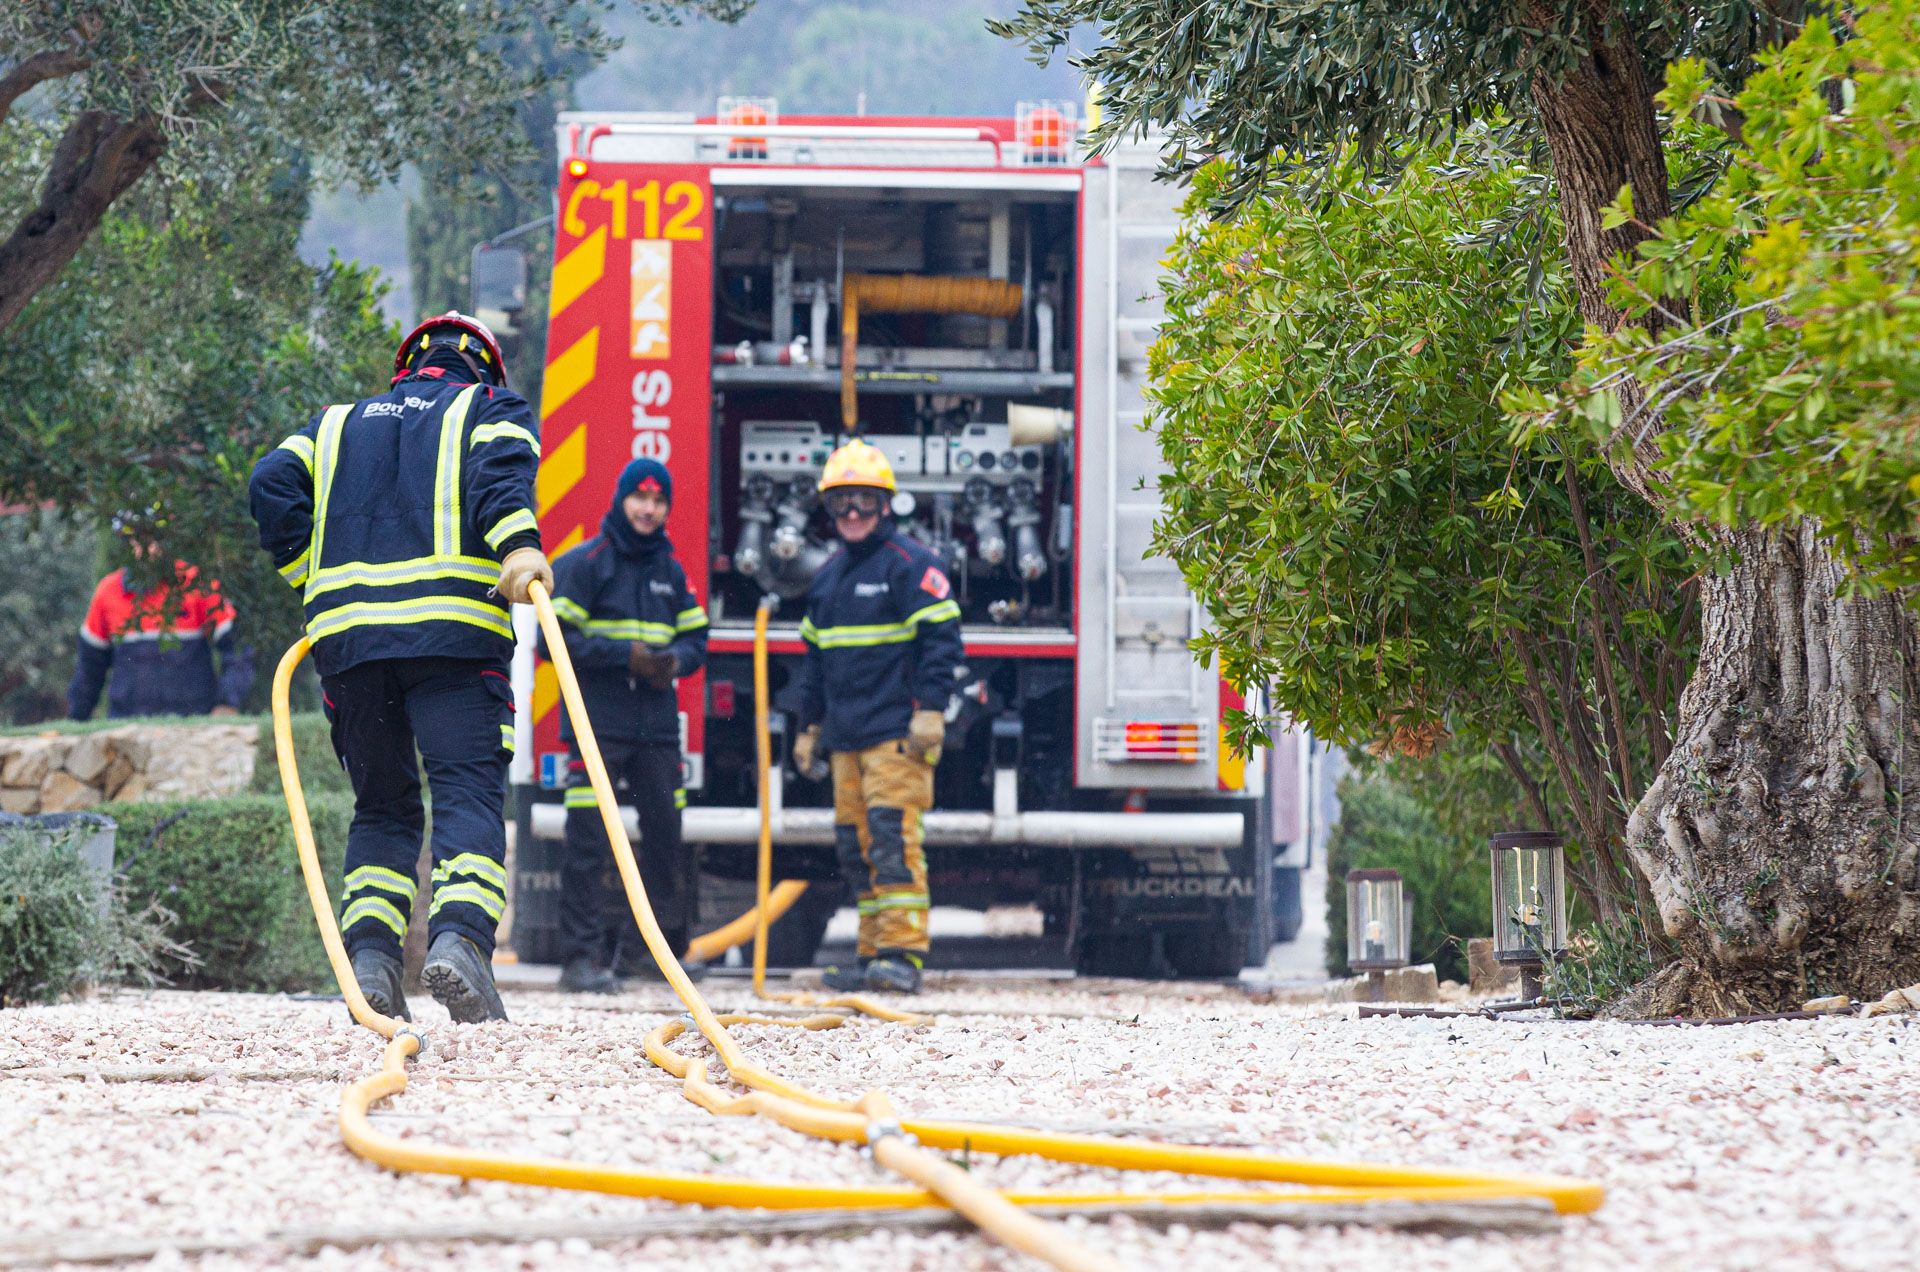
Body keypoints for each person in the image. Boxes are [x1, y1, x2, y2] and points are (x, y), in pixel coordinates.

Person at [248, 311, 549, 1024]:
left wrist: (312, 577)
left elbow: (269, 486)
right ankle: (460, 945)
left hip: (350, 647)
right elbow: (500, 479)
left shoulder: (332, 425)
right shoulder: (487, 408)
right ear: (485, 366)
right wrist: (520, 548)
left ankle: (373, 962)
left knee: (381, 807)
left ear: (407, 364)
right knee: (467, 795)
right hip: (452, 639)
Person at [792, 440, 964, 995]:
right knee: (855, 848)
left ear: (885, 504)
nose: (853, 514)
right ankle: (872, 954)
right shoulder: (827, 577)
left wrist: (932, 710)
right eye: (842, 503)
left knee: (892, 844)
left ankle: (903, 954)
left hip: (896, 737)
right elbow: (815, 664)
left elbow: (942, 643)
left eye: (864, 501)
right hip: (845, 738)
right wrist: (809, 726)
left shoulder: (912, 566)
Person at [538, 458, 708, 992]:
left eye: (659, 502)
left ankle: (647, 955)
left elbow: (696, 639)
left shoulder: (670, 571)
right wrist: (624, 656)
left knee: (665, 838)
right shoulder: (586, 563)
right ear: (621, 499)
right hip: (597, 725)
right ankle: (580, 961)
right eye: (641, 498)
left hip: (656, 728)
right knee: (588, 841)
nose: (649, 510)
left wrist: (674, 662)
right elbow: (551, 640)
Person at [67, 514, 255, 720]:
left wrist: (227, 703)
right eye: (138, 539)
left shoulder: (196, 584)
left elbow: (238, 649)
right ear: (126, 543)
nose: (149, 548)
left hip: (192, 724)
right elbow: (89, 669)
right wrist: (76, 721)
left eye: (155, 538)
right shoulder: (107, 592)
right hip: (127, 726)